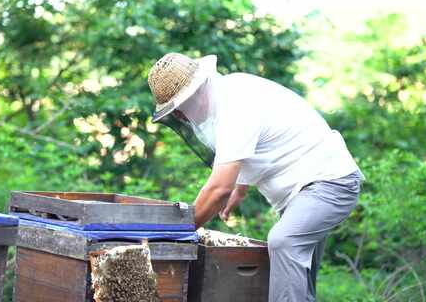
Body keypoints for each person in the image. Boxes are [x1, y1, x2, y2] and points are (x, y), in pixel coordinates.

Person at [147, 52, 364, 302]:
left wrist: (176, 234)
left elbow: (218, 188)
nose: (181, 117)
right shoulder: (230, 91)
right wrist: (241, 188)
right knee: (300, 287)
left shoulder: (234, 105)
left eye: (179, 109)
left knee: (284, 242)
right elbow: (258, 146)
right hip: (305, 192)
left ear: (196, 91)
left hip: (330, 183)